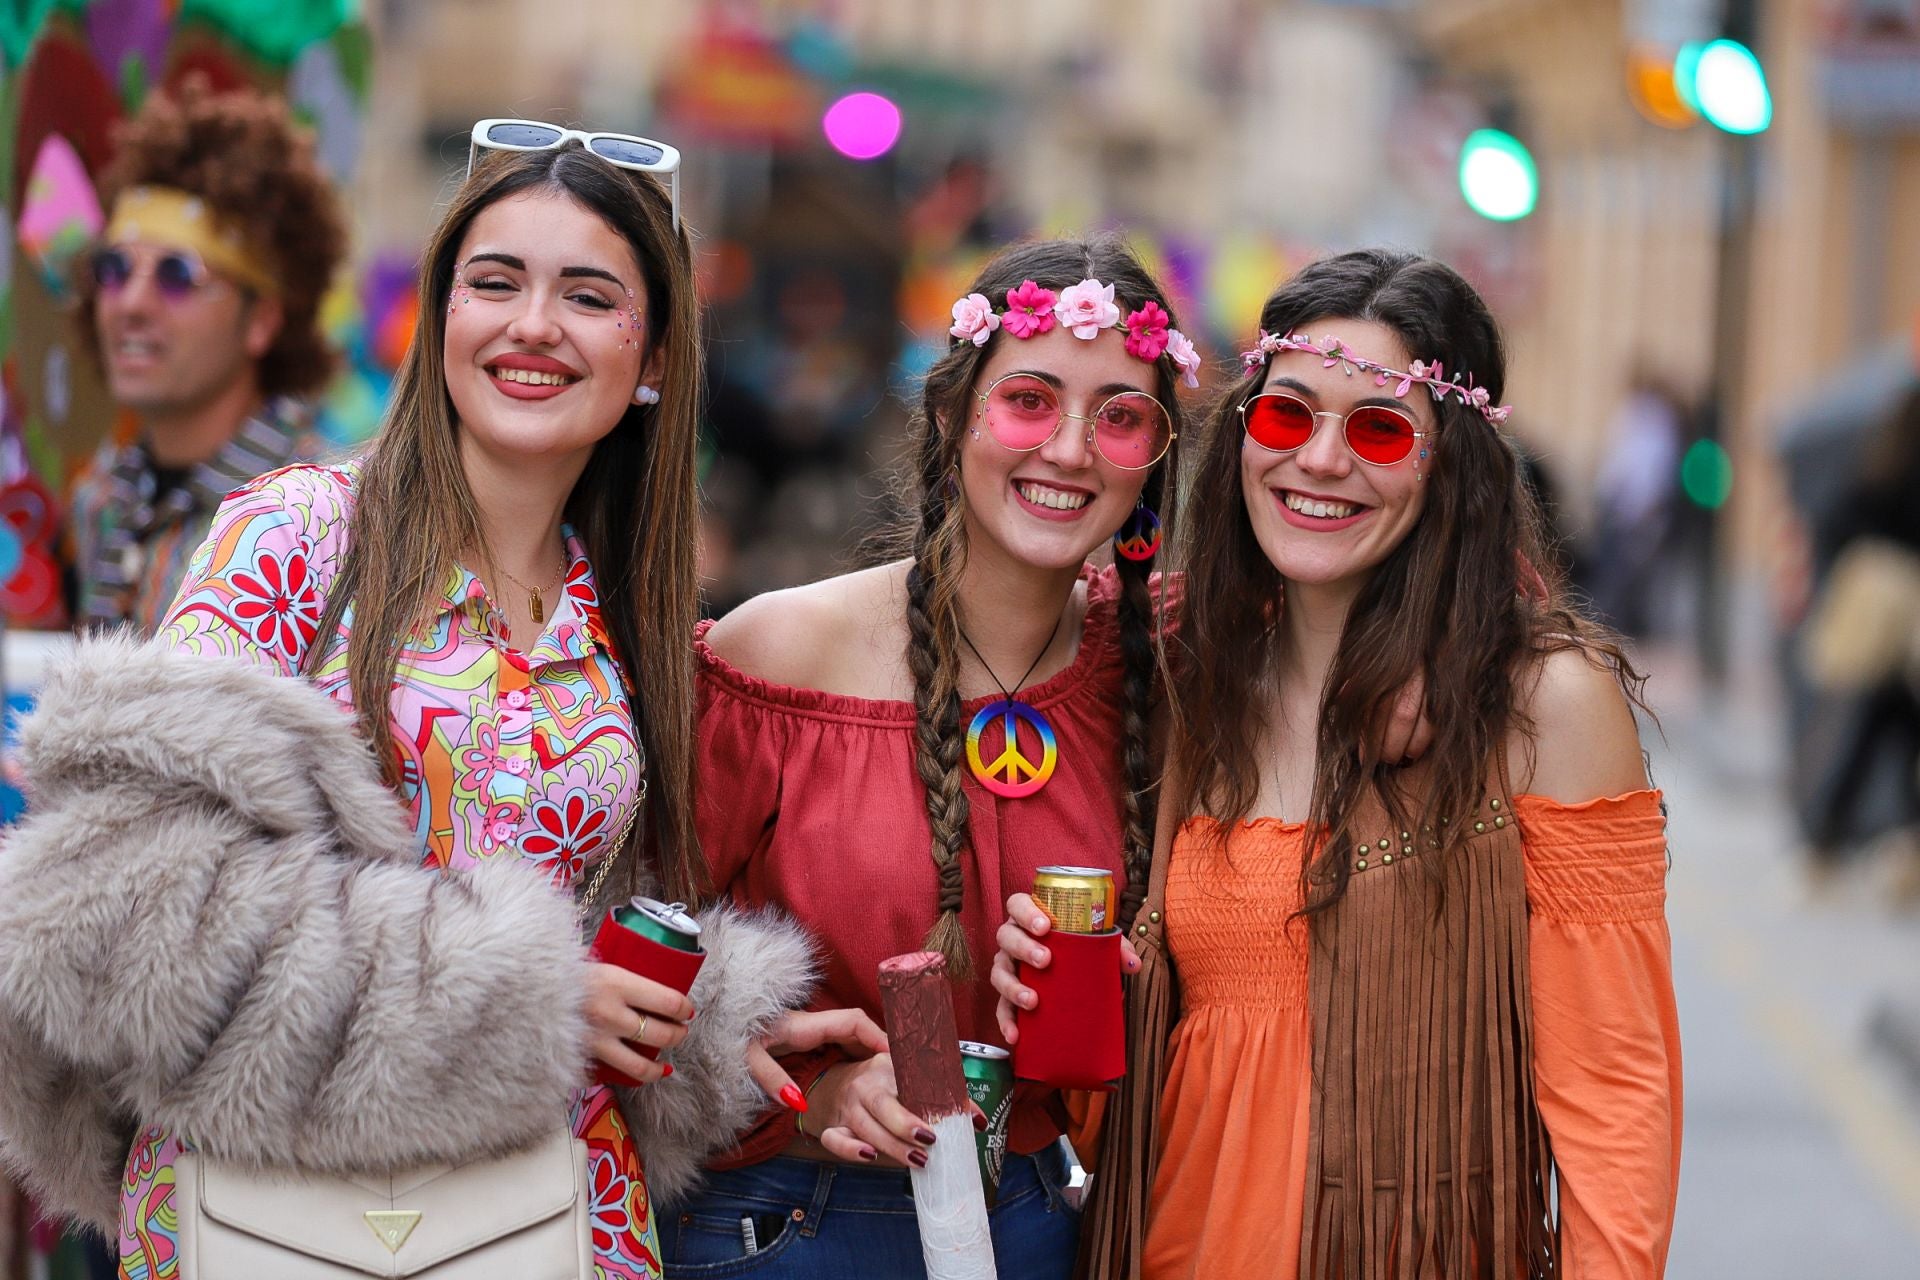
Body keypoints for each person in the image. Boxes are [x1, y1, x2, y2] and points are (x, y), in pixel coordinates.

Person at [0, 130, 874, 1280]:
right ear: (441, 317)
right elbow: (130, 907)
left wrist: (717, 1024)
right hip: (272, 1212)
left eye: (589, 294)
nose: (532, 325)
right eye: (495, 282)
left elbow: (614, 938)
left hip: (556, 1213)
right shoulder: (301, 536)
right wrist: (533, 997)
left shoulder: (635, 624)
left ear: (651, 354)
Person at [995, 249, 1683, 1279]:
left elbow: (1615, 1094)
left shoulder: (1542, 706)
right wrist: (1056, 992)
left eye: (1378, 428)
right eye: (1287, 416)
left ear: (1450, 466)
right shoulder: (1181, 679)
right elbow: (1164, 1086)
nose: (1318, 460)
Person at [674, 237, 1204, 1275]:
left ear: (1155, 455)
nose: (1069, 449)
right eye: (1031, 401)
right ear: (953, 414)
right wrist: (805, 1088)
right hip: (792, 1222)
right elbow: (634, 961)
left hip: (1040, 1225)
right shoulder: (779, 651)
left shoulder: (1172, 673)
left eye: (1121, 415)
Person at [66, 78, 343, 633]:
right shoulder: (101, 498)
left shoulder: (327, 516)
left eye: (176, 275)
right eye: (114, 270)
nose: (131, 304)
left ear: (261, 320)